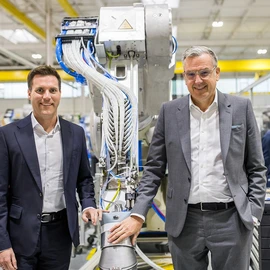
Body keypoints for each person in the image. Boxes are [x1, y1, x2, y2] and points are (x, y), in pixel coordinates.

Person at [107, 46, 267, 269]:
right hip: (185, 221)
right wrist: (138, 214)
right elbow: (154, 169)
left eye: (204, 72)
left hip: (232, 219)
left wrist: (253, 214)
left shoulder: (241, 108)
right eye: (191, 74)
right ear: (184, 78)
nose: (198, 80)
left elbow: (257, 168)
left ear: (217, 73)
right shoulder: (170, 112)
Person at [0, 65, 102, 270]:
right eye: (40, 90)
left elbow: (84, 178)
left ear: (60, 94)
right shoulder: (8, 135)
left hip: (60, 233)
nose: (46, 97)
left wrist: (88, 204)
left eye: (52, 90)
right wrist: (2, 245)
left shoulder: (75, 133)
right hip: (21, 233)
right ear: (29, 93)